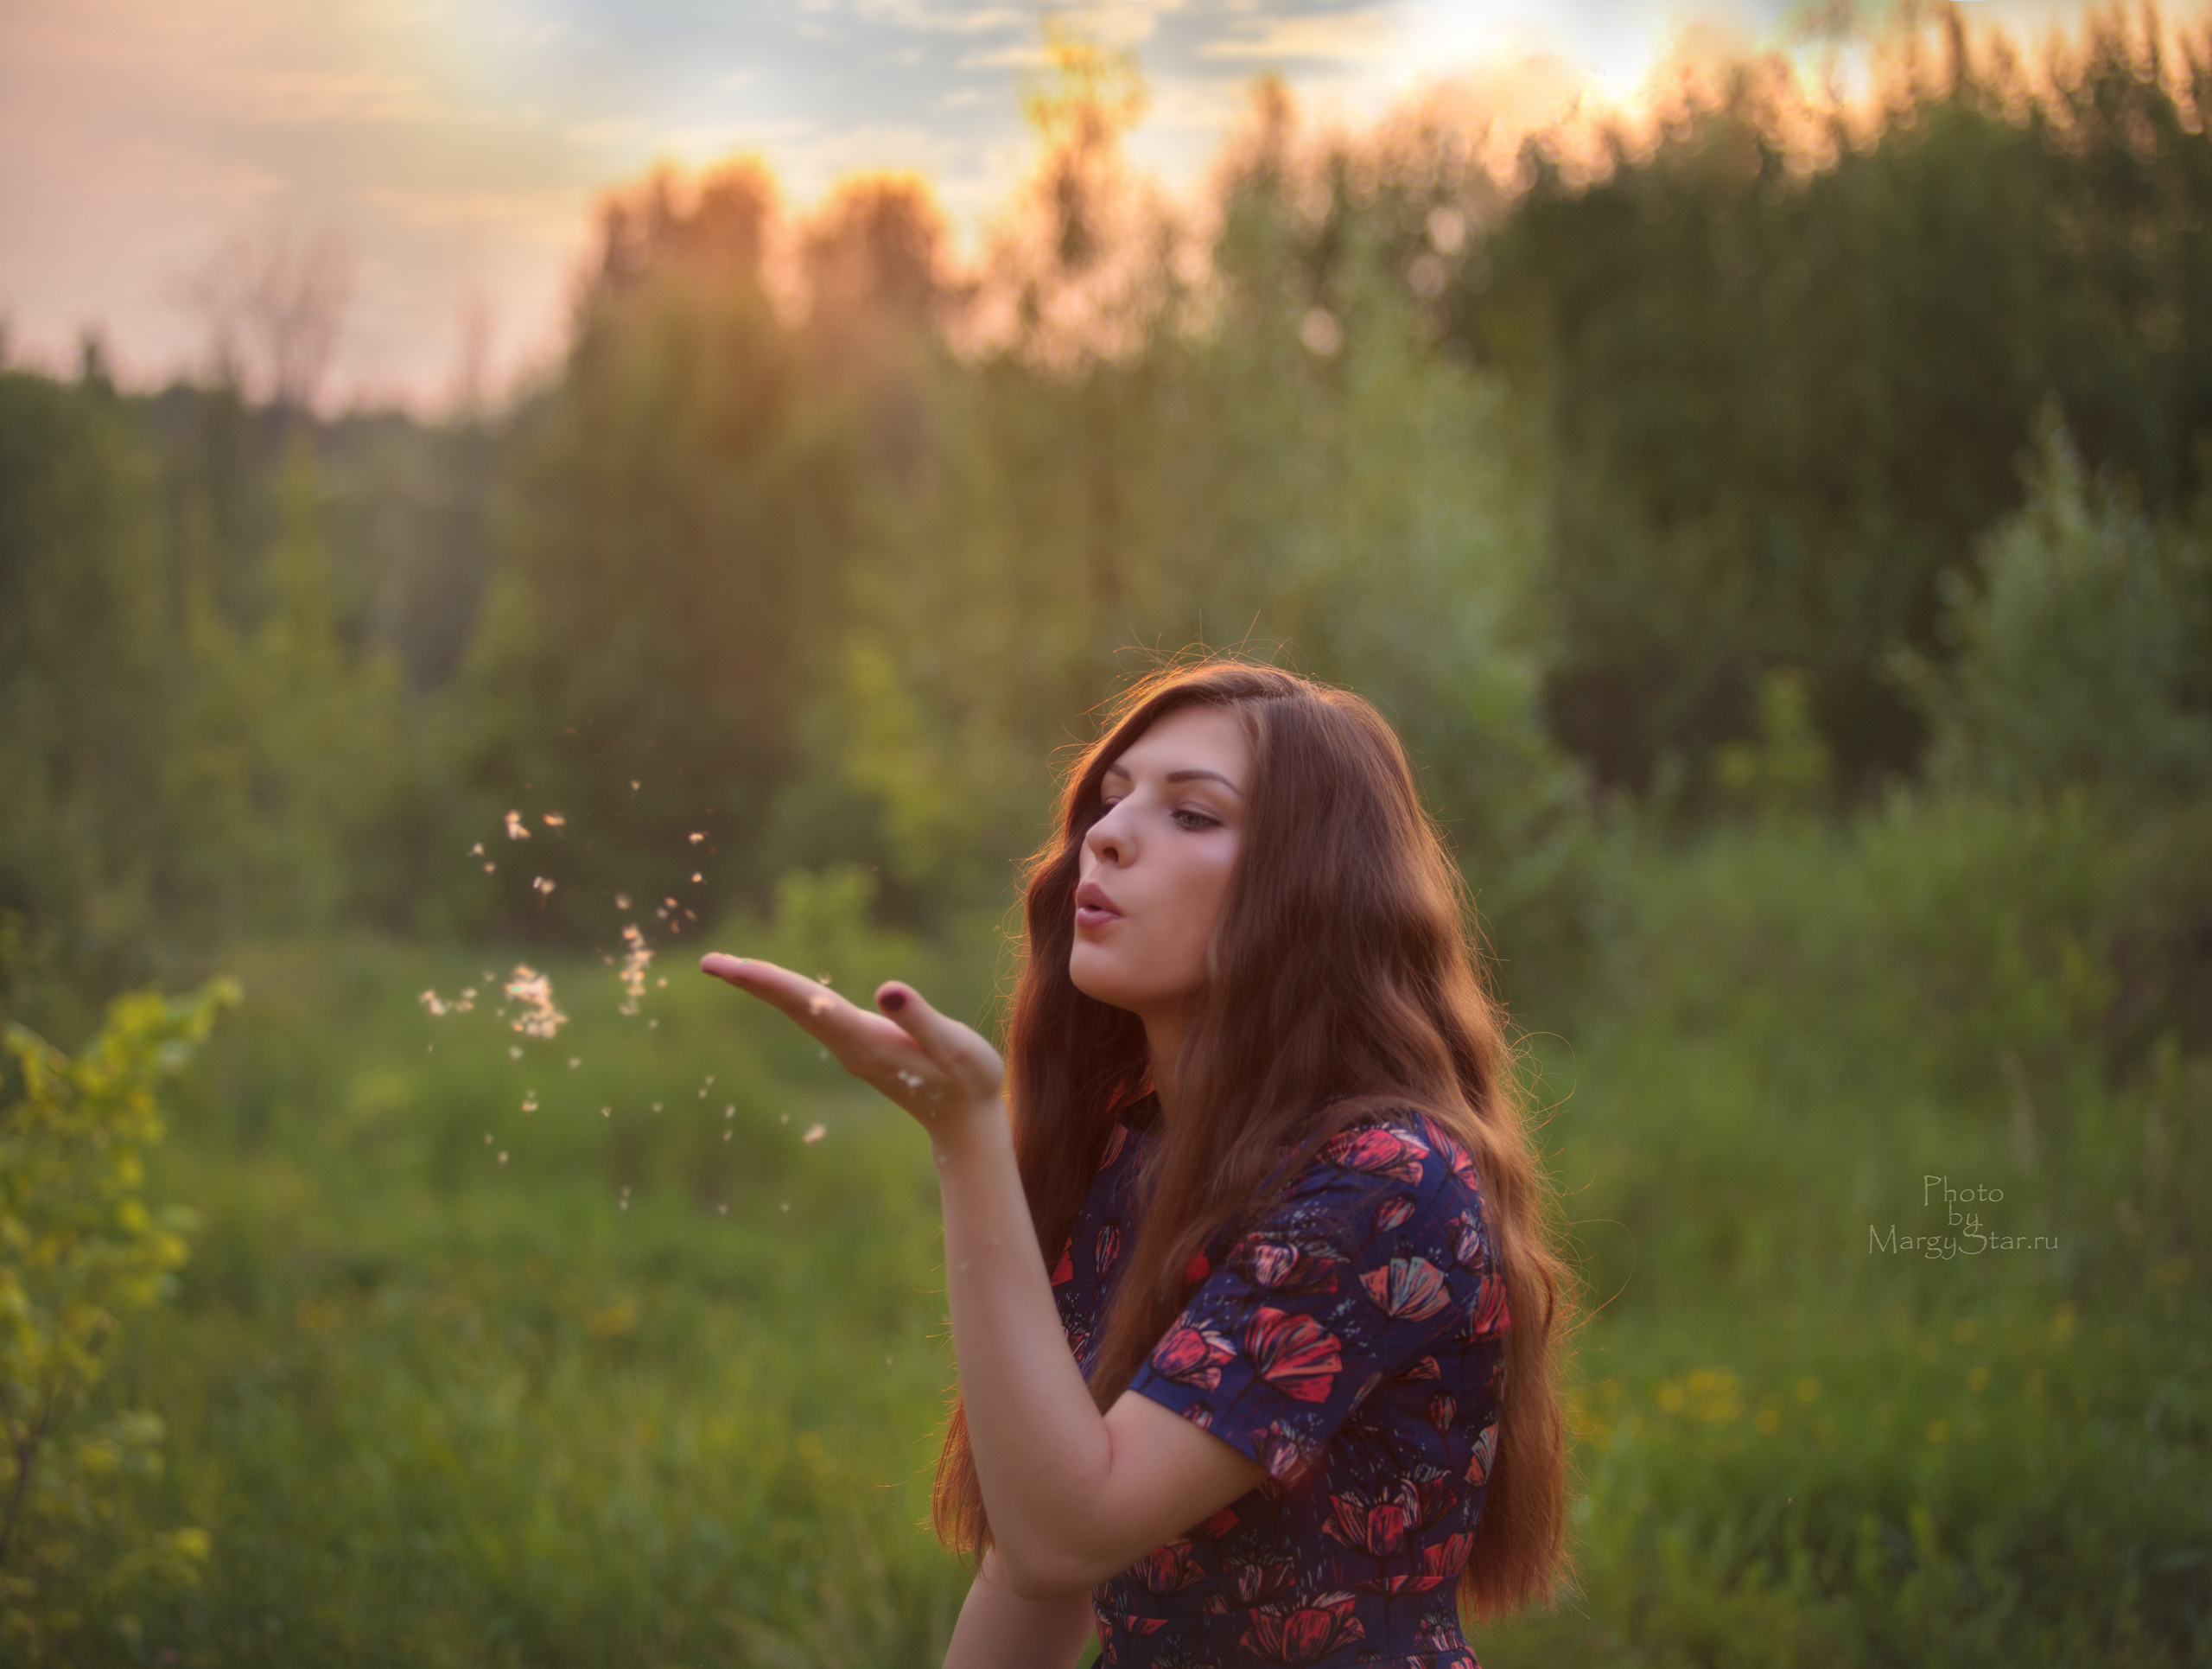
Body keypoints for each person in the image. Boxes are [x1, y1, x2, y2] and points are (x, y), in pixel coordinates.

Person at [702, 658, 1578, 1668]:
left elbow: (1068, 1530)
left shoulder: (1385, 1181)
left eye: (1193, 815)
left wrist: (965, 1133)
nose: (1105, 836)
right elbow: (1034, 1571)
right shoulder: (1135, 1145)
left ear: (1313, 885)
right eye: (1111, 800)